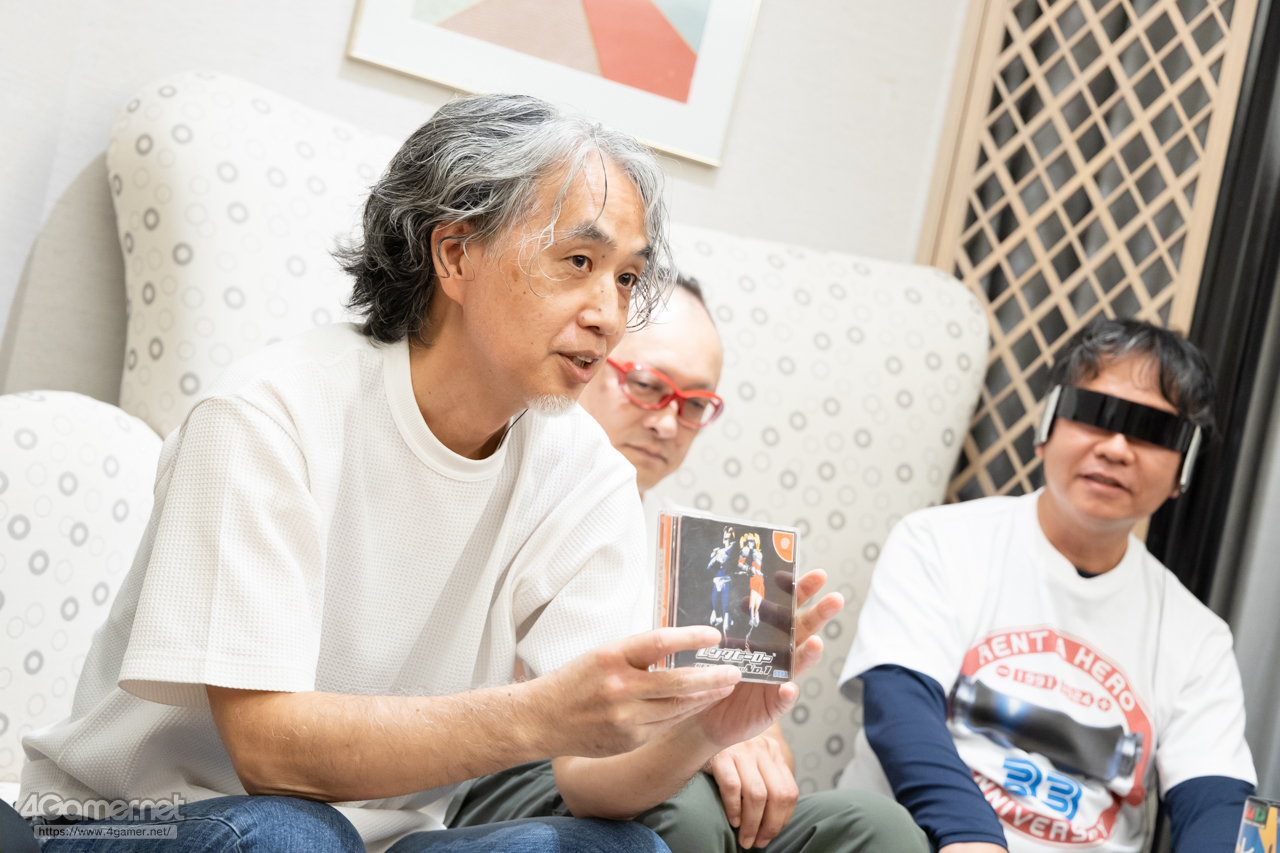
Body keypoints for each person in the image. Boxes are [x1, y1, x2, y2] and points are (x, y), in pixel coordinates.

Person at [18, 95, 842, 853]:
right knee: (289, 835)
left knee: (622, 849)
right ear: (455, 255)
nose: (608, 313)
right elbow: (267, 752)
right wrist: (536, 714)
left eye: (626, 277)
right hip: (144, 822)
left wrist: (702, 731)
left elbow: (590, 779)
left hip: (375, 841)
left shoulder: (585, 471)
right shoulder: (270, 413)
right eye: (577, 261)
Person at [447, 277, 930, 852]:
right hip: (527, 774)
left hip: (681, 786)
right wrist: (697, 740)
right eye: (647, 386)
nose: (668, 423)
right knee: (683, 811)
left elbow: (768, 751)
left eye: (695, 404)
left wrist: (749, 733)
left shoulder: (708, 551)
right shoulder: (516, 500)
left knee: (876, 826)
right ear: (585, 363)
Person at [837, 318, 1256, 853]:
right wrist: (972, 838)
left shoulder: (1199, 638)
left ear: (1184, 468)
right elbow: (899, 708)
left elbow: (1216, 800)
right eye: (1097, 414)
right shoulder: (938, 542)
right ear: (1046, 426)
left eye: (1153, 431)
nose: (1117, 448)